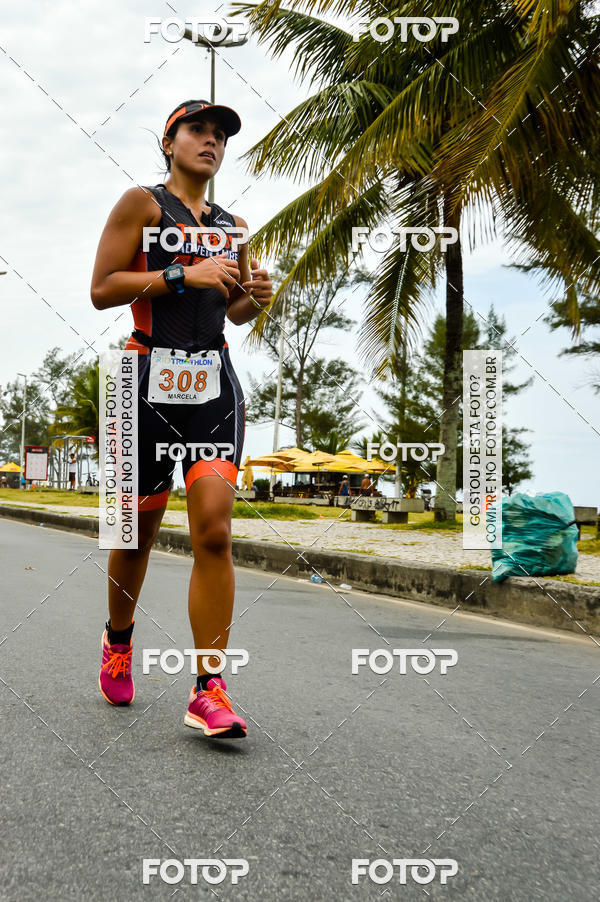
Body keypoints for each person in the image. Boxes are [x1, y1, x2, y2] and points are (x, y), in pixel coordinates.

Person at [90, 99, 273, 739]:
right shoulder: (141, 205)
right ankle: (118, 641)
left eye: (220, 135)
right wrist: (180, 273)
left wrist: (257, 296)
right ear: (169, 142)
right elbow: (102, 288)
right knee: (135, 533)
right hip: (144, 381)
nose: (211, 141)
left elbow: (238, 309)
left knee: (216, 532)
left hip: (212, 382)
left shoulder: (234, 225)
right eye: (197, 130)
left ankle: (209, 689)